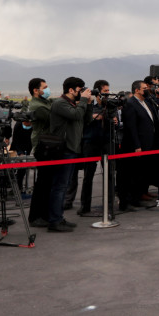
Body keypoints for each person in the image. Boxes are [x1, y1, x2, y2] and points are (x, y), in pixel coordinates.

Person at [48, 77, 92, 232]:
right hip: (63, 149)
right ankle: (54, 220)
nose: (82, 93)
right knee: (60, 186)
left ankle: (59, 217)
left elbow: (86, 120)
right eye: (80, 90)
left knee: (64, 185)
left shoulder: (74, 104)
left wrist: (89, 103)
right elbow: (76, 116)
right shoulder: (60, 103)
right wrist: (84, 102)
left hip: (72, 148)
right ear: (71, 90)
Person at [117, 80, 159, 211]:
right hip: (136, 145)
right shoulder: (131, 104)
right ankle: (129, 200)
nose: (147, 90)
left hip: (149, 144)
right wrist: (137, 145)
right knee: (132, 174)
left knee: (142, 173)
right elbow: (131, 127)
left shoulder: (146, 102)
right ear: (137, 90)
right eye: (144, 88)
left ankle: (138, 197)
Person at [74, 80, 114, 215]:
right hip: (90, 142)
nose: (107, 94)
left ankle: (109, 205)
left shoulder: (109, 105)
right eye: (105, 91)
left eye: (108, 91)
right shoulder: (87, 104)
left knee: (109, 175)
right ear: (98, 92)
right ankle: (85, 206)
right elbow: (83, 120)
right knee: (88, 175)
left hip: (106, 142)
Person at [27, 78, 54, 227]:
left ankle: (43, 214)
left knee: (46, 183)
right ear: (36, 90)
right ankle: (36, 216)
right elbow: (54, 118)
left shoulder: (44, 103)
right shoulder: (38, 106)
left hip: (48, 145)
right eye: (45, 87)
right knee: (42, 184)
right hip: (43, 146)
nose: (47, 90)